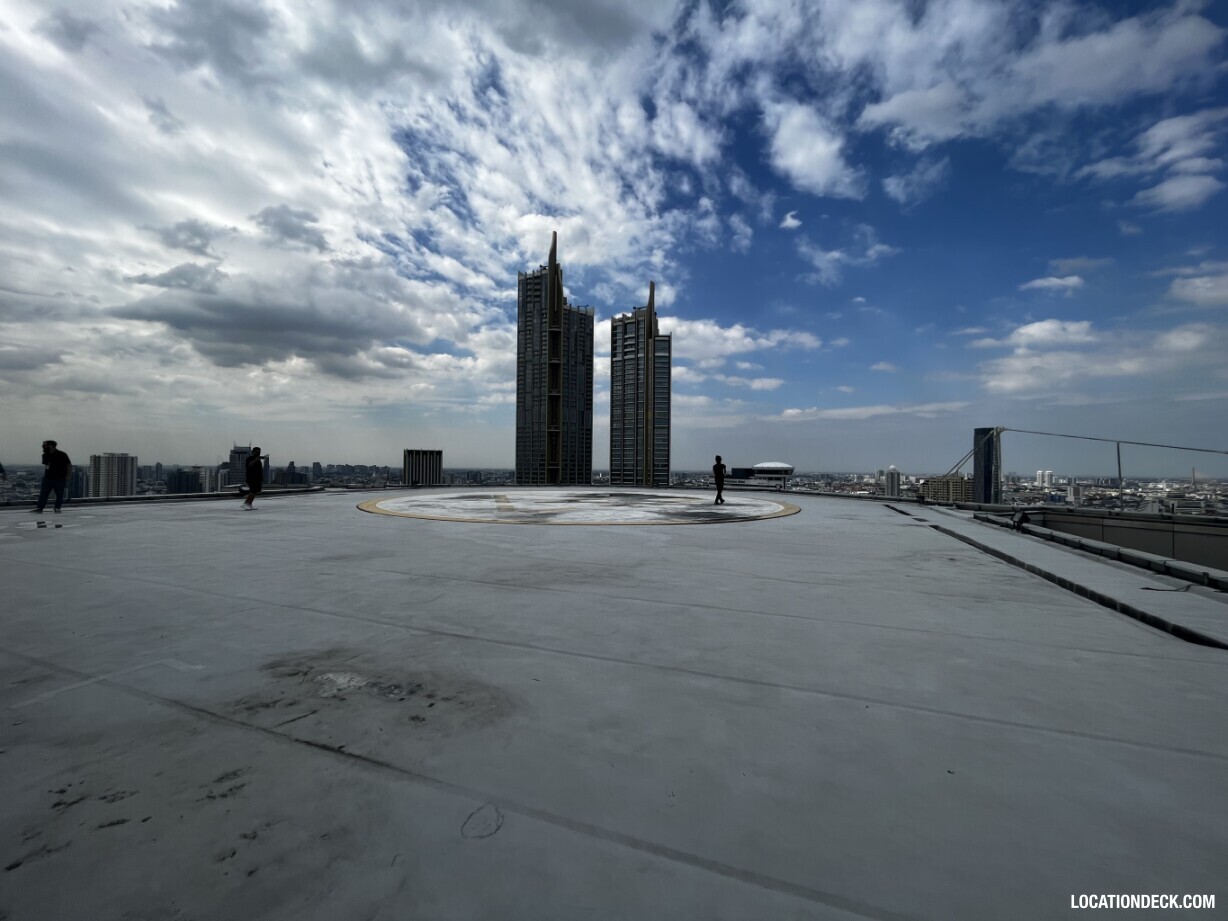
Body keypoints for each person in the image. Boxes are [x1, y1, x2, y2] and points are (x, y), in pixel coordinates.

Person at [34, 440, 72, 514]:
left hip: (59, 478)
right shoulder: (45, 455)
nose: (43, 447)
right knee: (43, 493)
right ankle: (40, 508)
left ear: (51, 446)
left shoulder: (62, 454)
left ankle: (57, 508)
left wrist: (68, 476)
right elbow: (46, 464)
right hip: (48, 478)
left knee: (59, 494)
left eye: (45, 445)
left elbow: (69, 465)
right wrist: (47, 454)